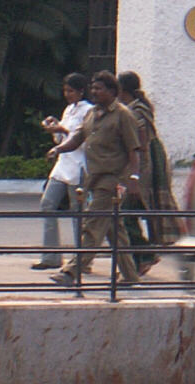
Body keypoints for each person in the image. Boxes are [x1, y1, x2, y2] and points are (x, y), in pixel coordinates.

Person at [45, 70, 143, 286]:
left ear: (112, 91)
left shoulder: (123, 115)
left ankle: (72, 271)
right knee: (114, 230)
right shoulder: (92, 114)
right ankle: (130, 275)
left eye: (99, 88)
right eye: (93, 88)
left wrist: (133, 178)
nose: (94, 92)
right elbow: (77, 138)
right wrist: (58, 150)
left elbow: (134, 151)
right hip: (94, 178)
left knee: (92, 224)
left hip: (112, 180)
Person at [32, 72, 91, 270]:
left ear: (81, 91)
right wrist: (55, 129)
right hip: (62, 165)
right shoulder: (68, 110)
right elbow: (62, 139)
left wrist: (62, 131)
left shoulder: (88, 111)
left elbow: (80, 138)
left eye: (71, 91)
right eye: (65, 90)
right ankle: (51, 256)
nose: (67, 94)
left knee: (78, 213)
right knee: (47, 204)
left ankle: (81, 259)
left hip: (78, 166)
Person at [118, 71, 176, 271]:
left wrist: (135, 176)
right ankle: (141, 258)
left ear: (122, 89)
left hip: (145, 165)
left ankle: (145, 255)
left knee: (125, 214)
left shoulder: (137, 111)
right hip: (139, 165)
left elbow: (141, 144)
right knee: (130, 213)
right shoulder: (132, 108)